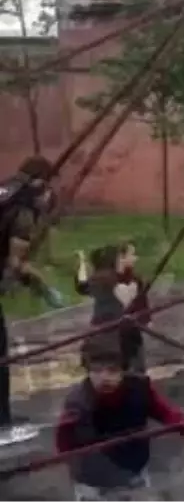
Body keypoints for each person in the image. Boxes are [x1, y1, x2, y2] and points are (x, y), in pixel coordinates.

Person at [56, 337, 184, 501]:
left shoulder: (139, 388)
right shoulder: (77, 403)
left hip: (134, 467)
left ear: (123, 370)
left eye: (112, 370)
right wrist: (75, 466)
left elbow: (164, 411)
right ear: (88, 370)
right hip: (94, 480)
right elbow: (64, 443)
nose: (104, 377)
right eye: (96, 371)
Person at [0, 154, 64, 436]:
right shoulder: (24, 208)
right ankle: (1, 422)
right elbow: (16, 261)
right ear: (41, 183)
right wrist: (43, 287)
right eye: (49, 188)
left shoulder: (6, 190)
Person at [76, 243, 151, 374]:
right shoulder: (102, 280)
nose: (135, 258)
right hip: (107, 338)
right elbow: (82, 285)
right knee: (113, 375)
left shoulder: (135, 279)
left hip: (130, 339)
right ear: (120, 258)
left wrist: (144, 319)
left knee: (135, 376)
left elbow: (141, 307)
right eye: (131, 254)